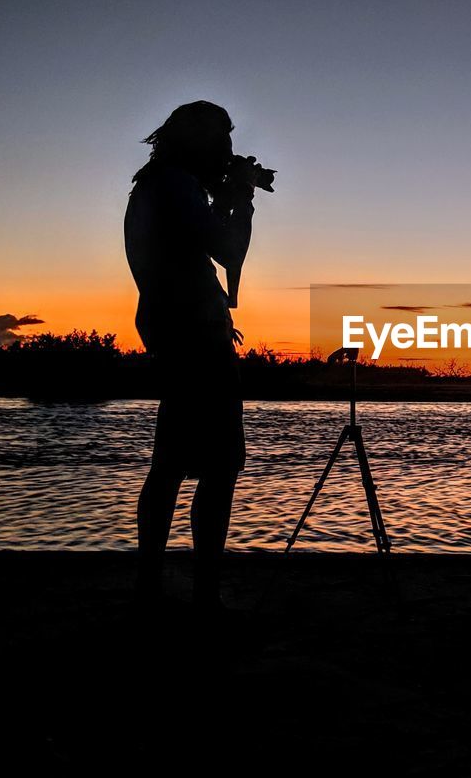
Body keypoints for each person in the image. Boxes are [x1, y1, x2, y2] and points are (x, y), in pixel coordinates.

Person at [124, 100, 260, 609]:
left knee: (172, 460)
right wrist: (241, 196)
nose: (228, 149)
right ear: (198, 140)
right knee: (220, 464)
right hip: (194, 334)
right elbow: (227, 249)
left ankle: (150, 584)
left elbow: (192, 246)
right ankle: (204, 591)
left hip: (173, 326)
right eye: (221, 139)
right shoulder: (177, 186)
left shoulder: (157, 186)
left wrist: (223, 195)